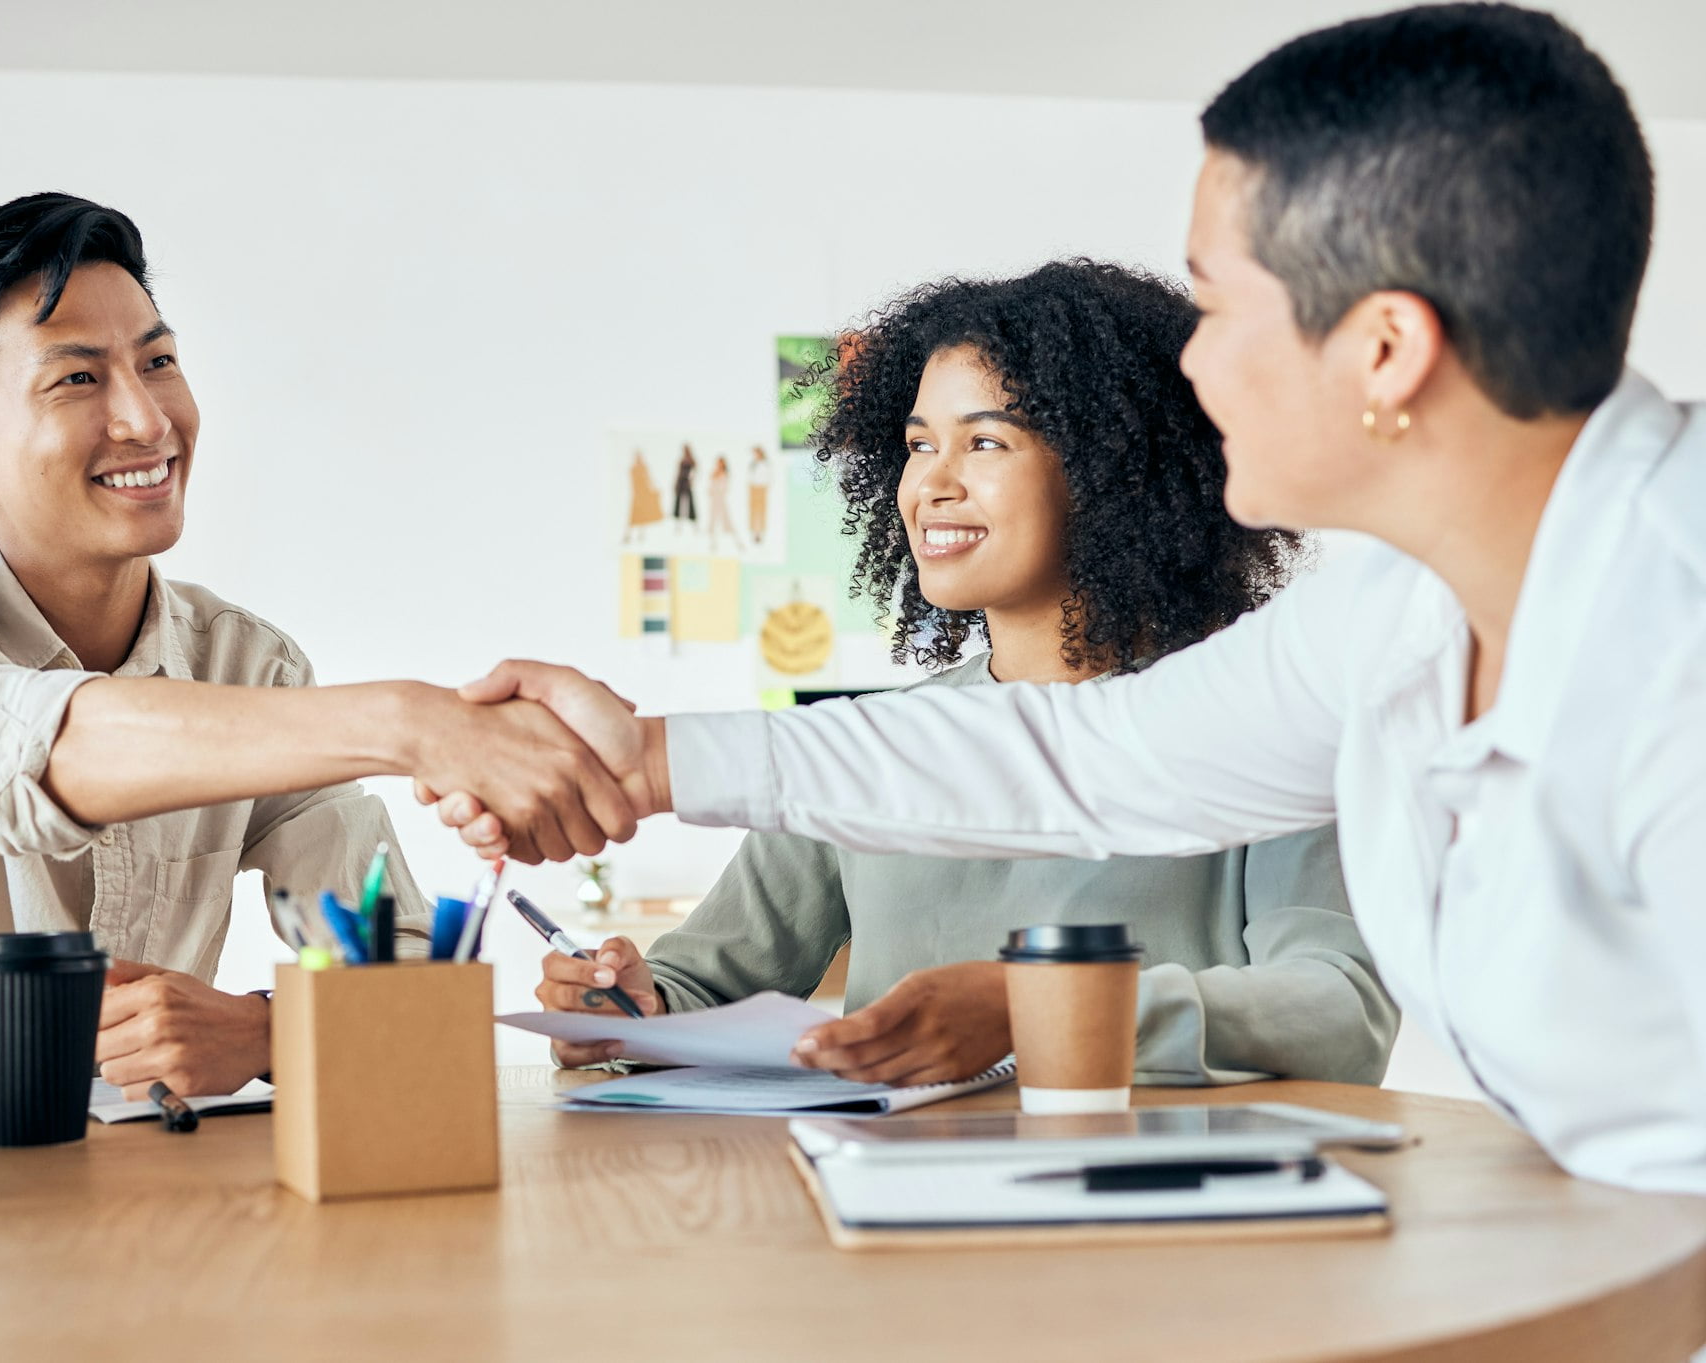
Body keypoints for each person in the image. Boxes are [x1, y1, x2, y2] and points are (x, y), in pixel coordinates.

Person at [432, 6, 1706, 1196]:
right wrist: (642, 756)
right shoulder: (1390, 613)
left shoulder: (1673, 627)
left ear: (1382, 349)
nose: (1191, 363)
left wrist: (1033, 1008)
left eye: (1216, 306)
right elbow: (1089, 756)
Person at [0, 193, 638, 1095]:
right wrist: (411, 722)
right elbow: (30, 744)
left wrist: (272, 1031)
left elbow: (413, 986)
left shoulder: (250, 666)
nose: (147, 420)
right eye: (77, 378)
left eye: (157, 361)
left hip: (145, 1168)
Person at [536, 262, 1395, 1089]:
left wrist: (1046, 1009)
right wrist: (629, 1008)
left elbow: (1339, 1010)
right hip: (879, 1174)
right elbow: (701, 985)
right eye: (919, 445)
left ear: (1110, 470)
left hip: (1143, 1177)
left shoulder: (1254, 728)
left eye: (984, 441)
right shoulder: (872, 747)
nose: (931, 483)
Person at [705, 454, 738, 552]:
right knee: (713, 521)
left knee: (726, 520)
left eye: (720, 462)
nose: (718, 464)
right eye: (718, 462)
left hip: (720, 499)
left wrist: (718, 492)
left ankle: (736, 542)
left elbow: (724, 488)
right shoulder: (714, 473)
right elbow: (710, 486)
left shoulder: (725, 474)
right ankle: (712, 543)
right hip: (714, 500)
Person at [747, 446, 770, 544]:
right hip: (753, 488)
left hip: (761, 488)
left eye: (756, 453)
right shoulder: (753, 464)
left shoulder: (764, 464)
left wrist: (764, 486)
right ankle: (754, 531)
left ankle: (761, 532)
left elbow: (767, 477)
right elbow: (750, 476)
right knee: (753, 511)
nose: (754, 455)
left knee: (761, 511)